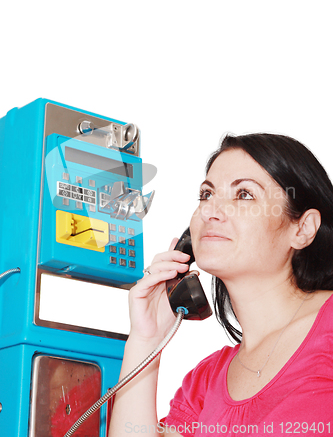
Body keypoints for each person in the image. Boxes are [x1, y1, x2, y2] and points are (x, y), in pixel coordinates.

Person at [108, 133, 333, 437]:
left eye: (244, 195)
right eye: (206, 194)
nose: (210, 211)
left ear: (302, 229)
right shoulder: (205, 382)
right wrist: (145, 341)